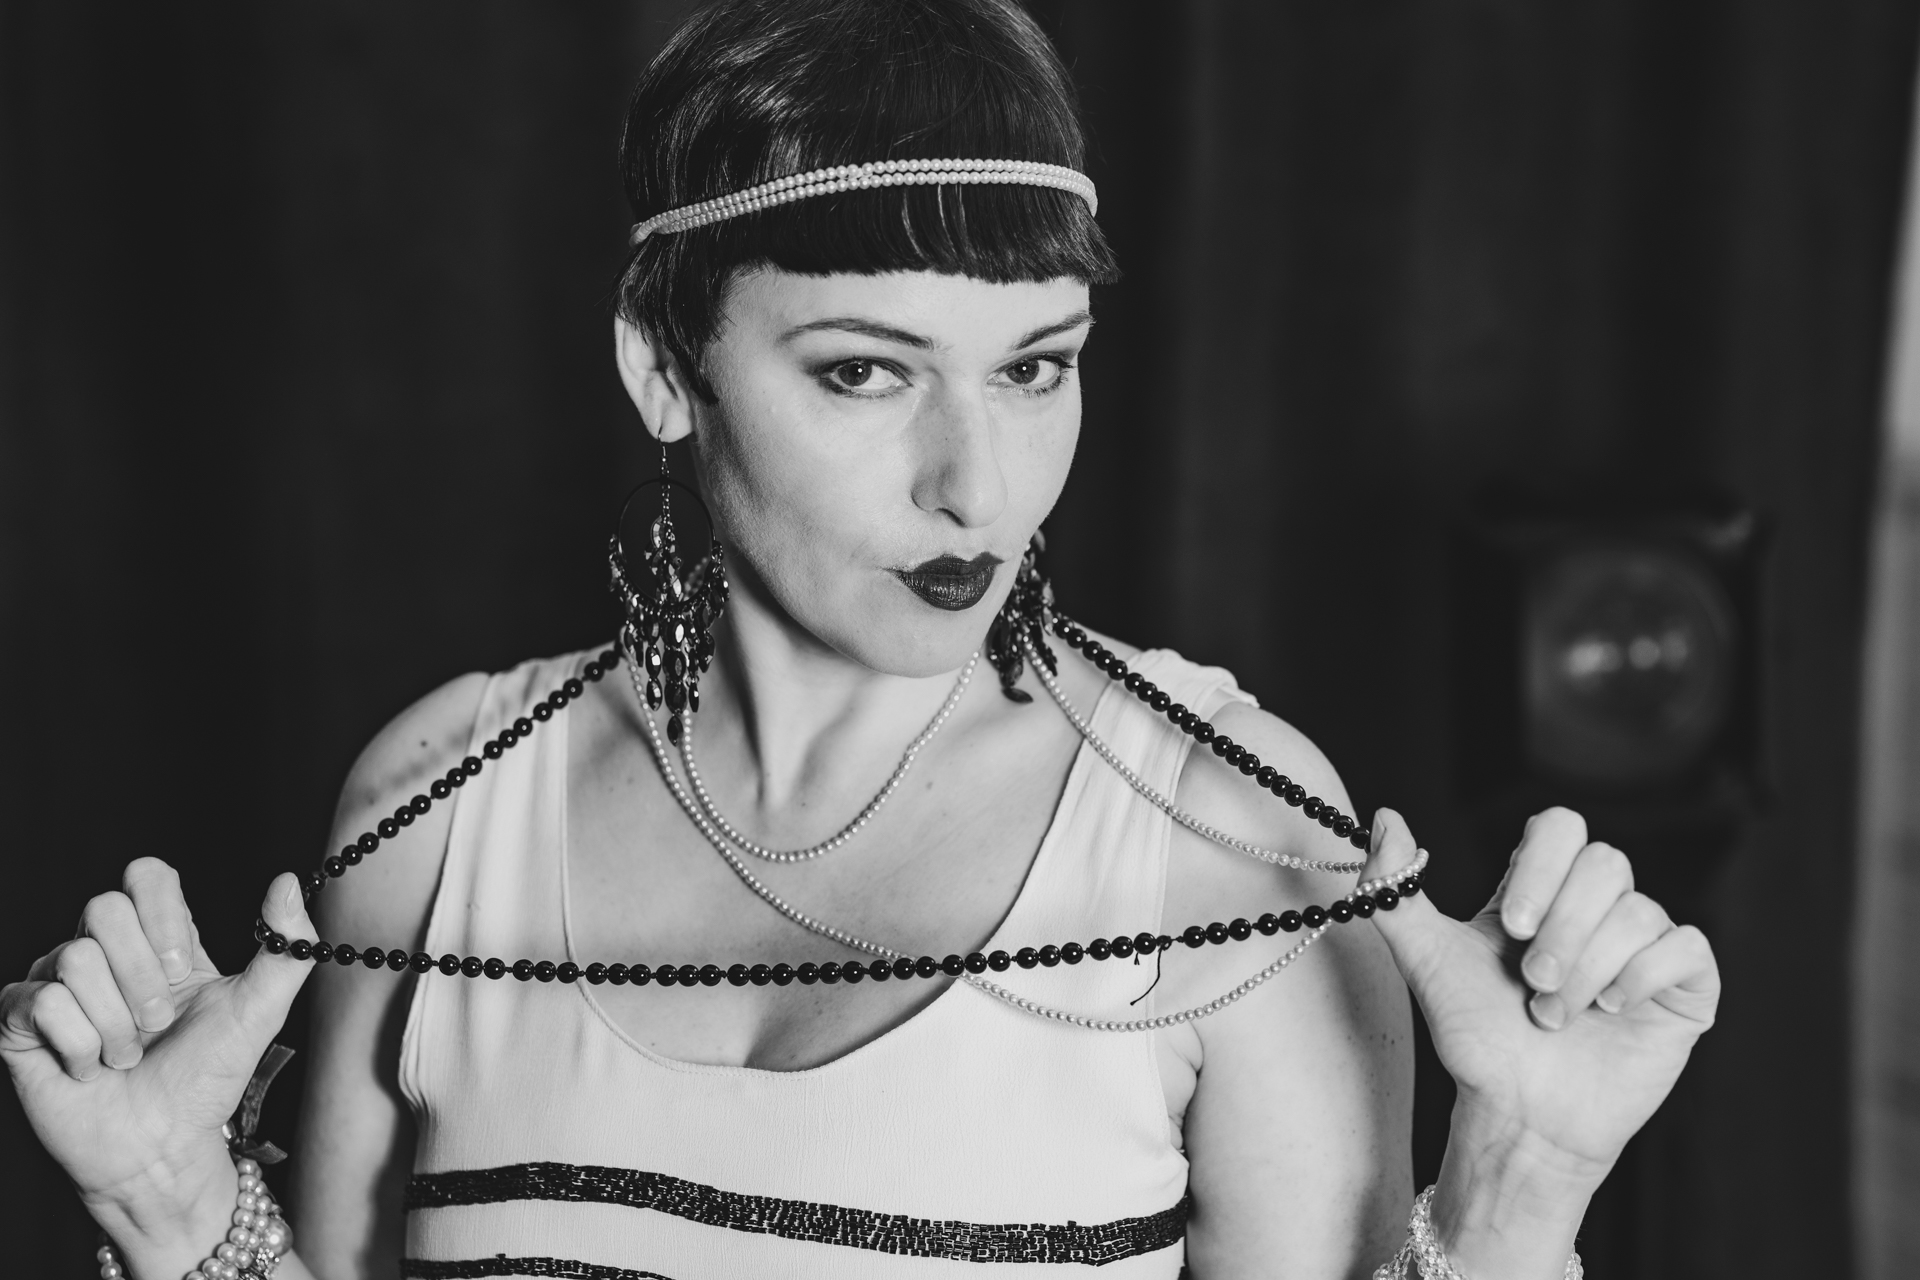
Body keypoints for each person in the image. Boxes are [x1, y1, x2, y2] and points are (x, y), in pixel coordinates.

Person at [1, 1, 1720, 1277]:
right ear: (663, 365)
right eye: (864, 370)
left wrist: (1517, 1194)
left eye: (1035, 367)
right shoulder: (444, 810)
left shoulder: (1228, 838)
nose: (978, 483)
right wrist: (170, 1207)